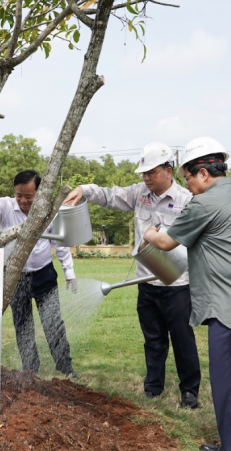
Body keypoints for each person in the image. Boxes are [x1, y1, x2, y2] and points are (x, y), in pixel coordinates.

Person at [143, 137, 231, 451]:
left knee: (229, 380)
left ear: (202, 173)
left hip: (228, 306)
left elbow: (167, 242)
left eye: (187, 178)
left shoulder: (204, 204)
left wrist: (148, 233)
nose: (187, 184)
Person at [63, 142, 201, 408]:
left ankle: (189, 391)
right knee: (153, 338)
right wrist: (85, 190)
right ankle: (153, 387)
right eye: (144, 173)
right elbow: (109, 195)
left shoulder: (186, 200)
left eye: (151, 172)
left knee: (183, 339)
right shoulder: (139, 194)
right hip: (145, 282)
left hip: (177, 284)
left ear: (169, 170)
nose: (146, 178)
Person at [0, 170, 78, 379]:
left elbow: (59, 243)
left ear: (39, 193)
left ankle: (66, 368)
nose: (23, 201)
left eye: (28, 196)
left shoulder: (48, 211)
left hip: (44, 274)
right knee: (23, 324)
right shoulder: (6, 205)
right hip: (15, 277)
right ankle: (30, 370)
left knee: (53, 323)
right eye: (19, 195)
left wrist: (69, 272)